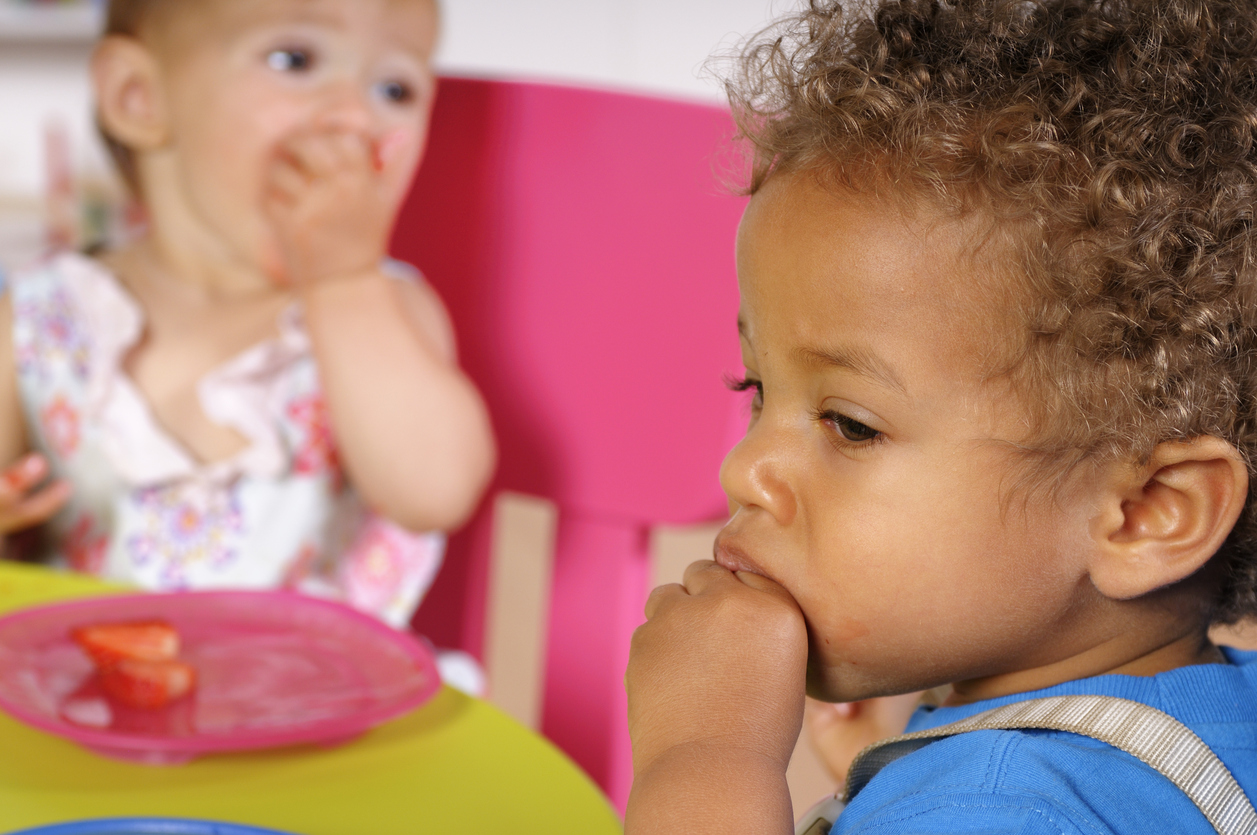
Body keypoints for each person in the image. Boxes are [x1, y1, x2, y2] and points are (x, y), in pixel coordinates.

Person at [624, 0, 1257, 832]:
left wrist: (705, 755)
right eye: (755, 393)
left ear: (1145, 513)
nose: (742, 471)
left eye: (850, 424)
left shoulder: (989, 807)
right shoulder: (1224, 704)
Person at [0, 0, 495, 630]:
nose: (354, 116)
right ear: (137, 96)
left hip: (316, 718)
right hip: (74, 708)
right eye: (295, 59)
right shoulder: (43, 320)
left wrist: (342, 278)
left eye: (395, 88)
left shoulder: (379, 310)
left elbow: (434, 492)